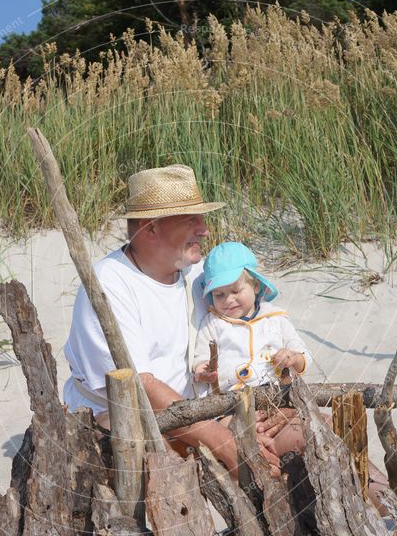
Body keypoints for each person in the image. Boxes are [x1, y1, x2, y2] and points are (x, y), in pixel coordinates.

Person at [63, 164, 294, 476]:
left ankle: (380, 517)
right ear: (151, 228)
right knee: (259, 467)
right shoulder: (109, 284)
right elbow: (139, 387)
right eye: (190, 219)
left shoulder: (198, 275)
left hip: (200, 413)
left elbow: (255, 329)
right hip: (129, 423)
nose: (204, 229)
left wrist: (275, 402)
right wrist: (228, 445)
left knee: (311, 430)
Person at [193, 241, 311, 454]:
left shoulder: (275, 318)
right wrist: (204, 371)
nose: (228, 299)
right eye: (219, 294)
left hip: (277, 397)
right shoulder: (213, 323)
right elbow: (200, 359)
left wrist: (292, 358)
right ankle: (262, 455)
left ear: (255, 285)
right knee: (227, 430)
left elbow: (304, 357)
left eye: (235, 290)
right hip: (230, 405)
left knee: (303, 427)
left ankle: (282, 455)